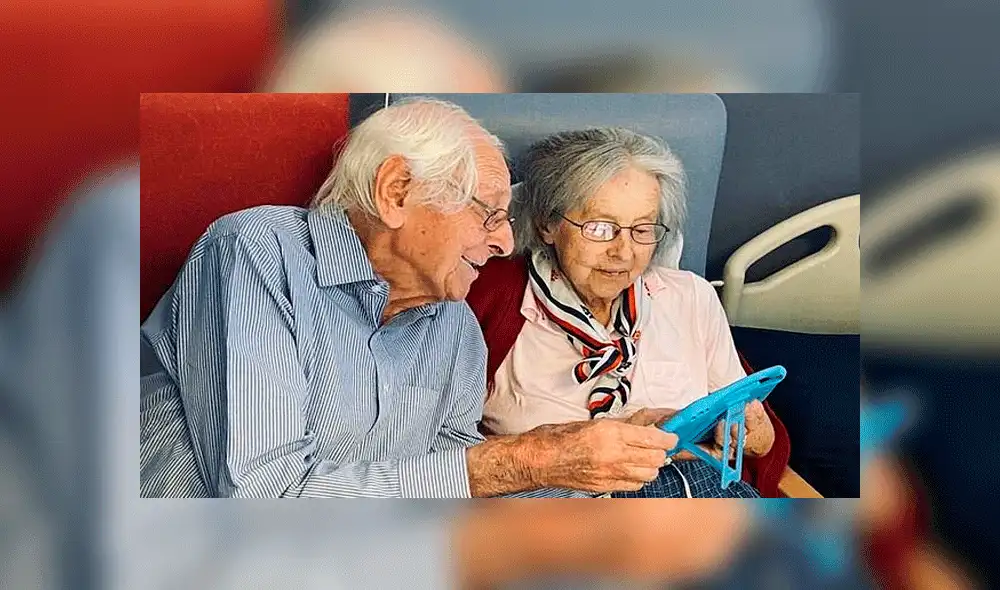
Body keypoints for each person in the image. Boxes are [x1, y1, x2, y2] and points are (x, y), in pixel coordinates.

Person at [140, 97, 678, 498]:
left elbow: (446, 484)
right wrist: (526, 460)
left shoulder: (455, 327)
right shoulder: (259, 255)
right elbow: (264, 500)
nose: (505, 243)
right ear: (397, 192)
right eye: (487, 213)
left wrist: (568, 455)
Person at [467, 127, 788, 498]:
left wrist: (752, 430)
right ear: (547, 224)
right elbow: (448, 460)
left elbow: (760, 444)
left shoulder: (689, 298)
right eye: (600, 228)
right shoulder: (490, 301)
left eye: (642, 229)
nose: (623, 252)